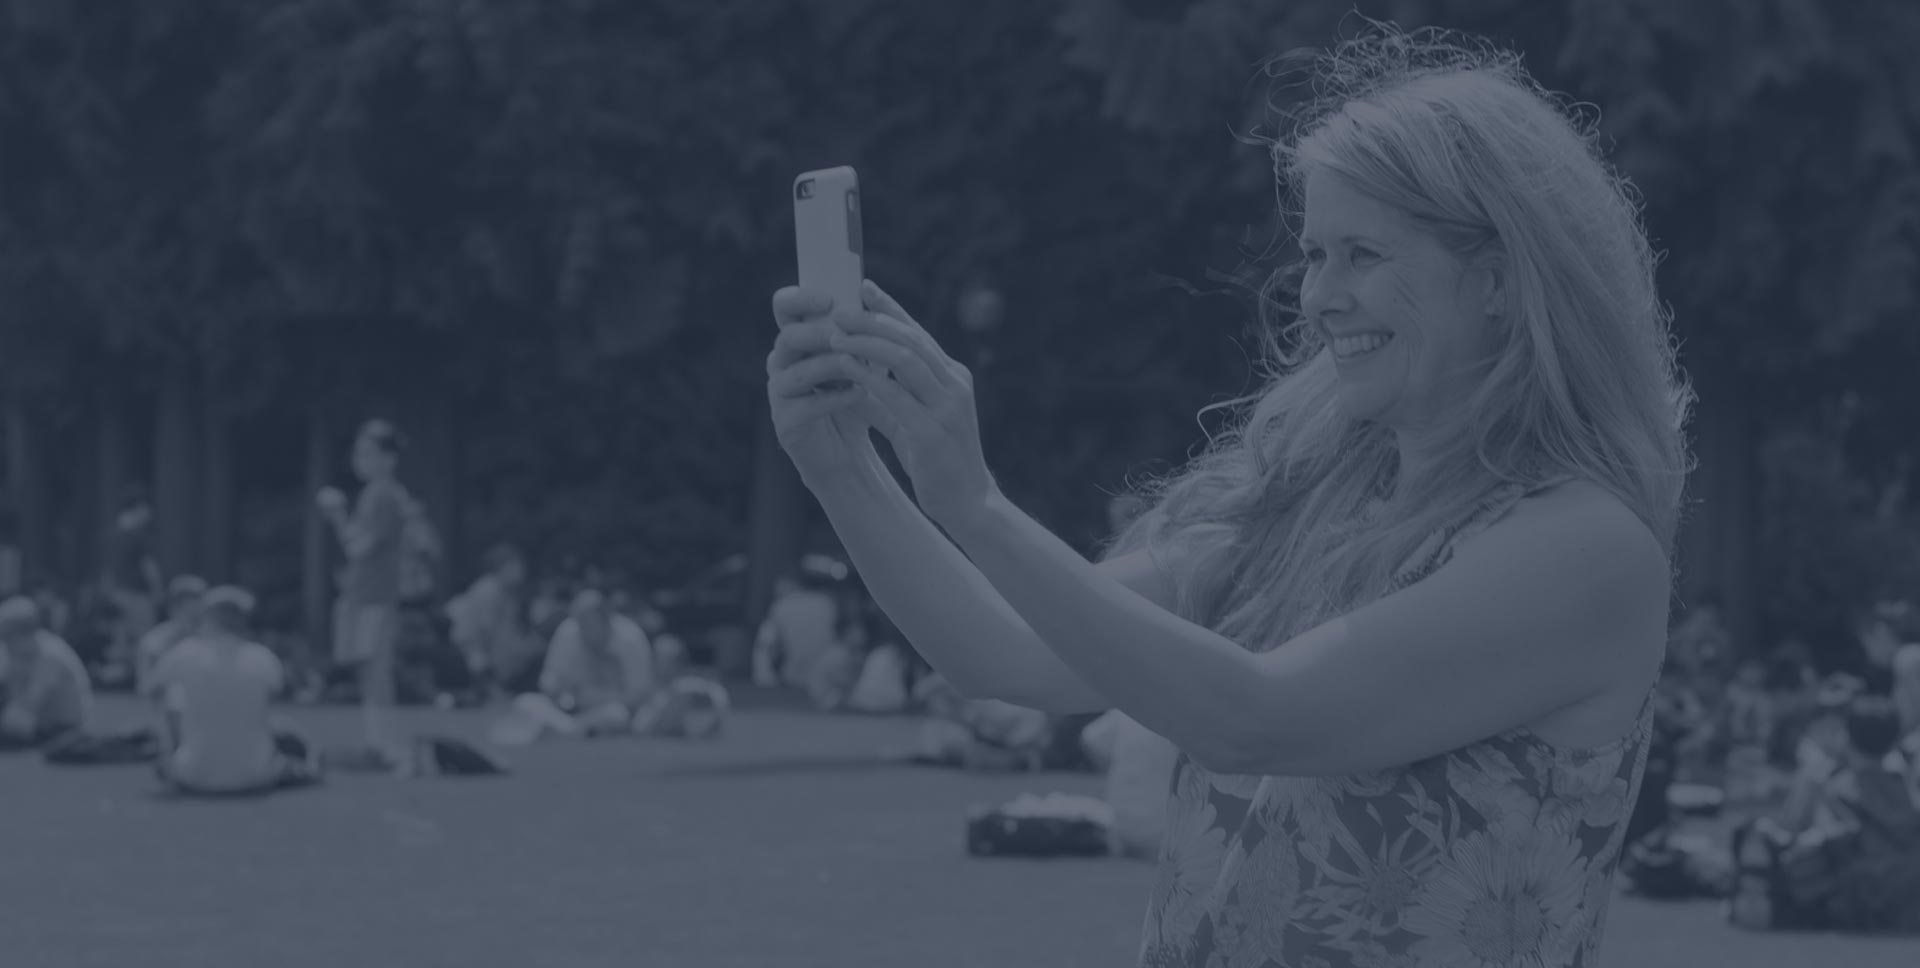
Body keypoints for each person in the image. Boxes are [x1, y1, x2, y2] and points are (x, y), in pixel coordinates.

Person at [765, 23, 1688, 965]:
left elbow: (1253, 718)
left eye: (1362, 254)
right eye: (1316, 253)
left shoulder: (1583, 549)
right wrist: (843, 469)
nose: (1318, 295)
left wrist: (977, 506)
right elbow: (1009, 656)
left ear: (1497, 282)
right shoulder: (1310, 499)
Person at [149, 586, 321, 796]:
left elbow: (153, 690)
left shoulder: (185, 653)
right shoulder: (263, 657)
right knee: (281, 726)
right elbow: (269, 705)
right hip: (256, 774)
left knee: (174, 704)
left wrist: (171, 739)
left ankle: (178, 757)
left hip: (191, 773)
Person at [318, 418, 414, 765]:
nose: (361, 460)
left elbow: (359, 548)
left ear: (389, 458)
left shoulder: (385, 496)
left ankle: (386, 745)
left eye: (369, 453)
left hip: (376, 597)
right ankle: (377, 742)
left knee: (376, 670)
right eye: (359, 453)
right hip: (365, 595)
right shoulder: (375, 494)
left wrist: (337, 514)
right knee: (367, 670)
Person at [496, 590, 657, 742]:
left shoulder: (630, 639)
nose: (584, 632)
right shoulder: (569, 632)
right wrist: (560, 692)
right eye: (581, 625)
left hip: (607, 709)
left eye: (590, 625)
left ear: (606, 620)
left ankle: (560, 731)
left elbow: (641, 694)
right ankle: (572, 731)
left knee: (616, 714)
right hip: (568, 710)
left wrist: (598, 697)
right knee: (525, 702)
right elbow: (548, 680)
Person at [445, 543, 541, 700]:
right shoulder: (489, 588)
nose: (522, 570)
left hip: (489, 647)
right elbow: (485, 631)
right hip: (473, 647)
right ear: (503, 567)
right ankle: (492, 687)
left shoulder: (506, 592)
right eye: (516, 565)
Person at [0, 596, 93, 749]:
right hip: (44, 722)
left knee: (11, 719)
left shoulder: (50, 655)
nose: (5, 644)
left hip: (65, 728)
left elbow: (28, 705)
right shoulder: (24, 652)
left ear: (23, 633)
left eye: (7, 637)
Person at [101, 487, 164, 680]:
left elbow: (107, 568)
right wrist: (158, 590)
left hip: (117, 593)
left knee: (122, 640)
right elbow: (148, 566)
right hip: (137, 595)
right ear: (139, 507)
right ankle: (143, 679)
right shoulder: (137, 534)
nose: (149, 514)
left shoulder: (112, 533)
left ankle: (121, 678)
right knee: (146, 639)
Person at [134, 574, 209, 697]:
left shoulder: (212, 642)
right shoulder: (154, 643)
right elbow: (144, 687)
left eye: (201, 617)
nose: (198, 622)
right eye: (192, 616)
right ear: (173, 609)